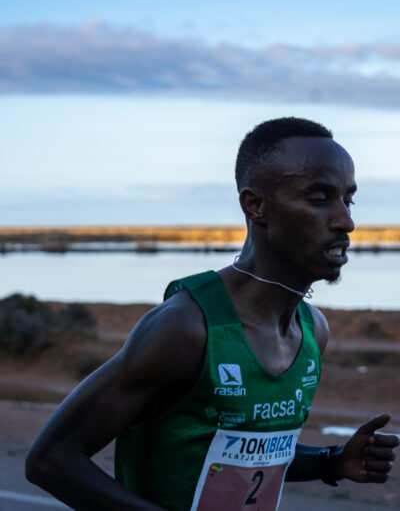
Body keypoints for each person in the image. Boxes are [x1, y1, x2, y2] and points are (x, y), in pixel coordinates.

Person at [26, 117, 399, 510]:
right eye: (319, 198)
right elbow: (51, 459)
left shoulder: (312, 330)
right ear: (255, 205)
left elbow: (243, 454)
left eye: (348, 200)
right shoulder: (186, 327)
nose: (346, 221)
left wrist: (331, 461)